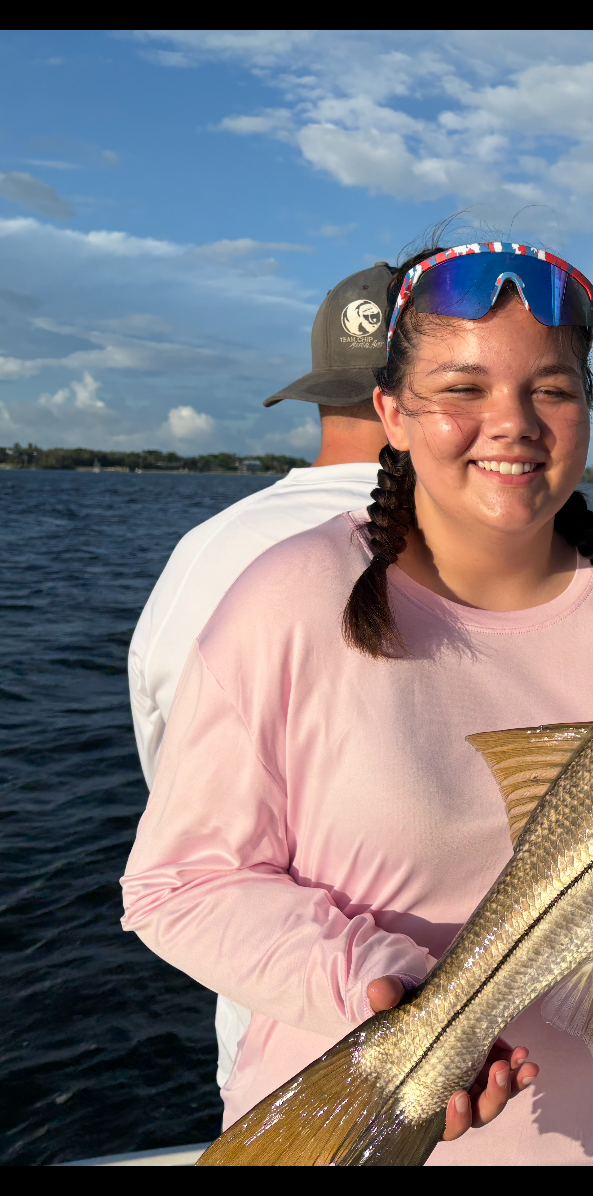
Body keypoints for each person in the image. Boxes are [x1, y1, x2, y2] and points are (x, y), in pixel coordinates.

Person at [121, 244, 593, 1165]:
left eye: (550, 389)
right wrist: (381, 987)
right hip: (355, 1131)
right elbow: (180, 885)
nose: (511, 424)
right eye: (462, 390)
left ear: (588, 409)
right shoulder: (286, 595)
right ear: (391, 412)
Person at [127, 265, 396, 1095]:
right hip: (504, 1040)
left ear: (319, 391)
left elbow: (176, 801)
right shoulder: (517, 558)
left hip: (275, 1038)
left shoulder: (208, 551)